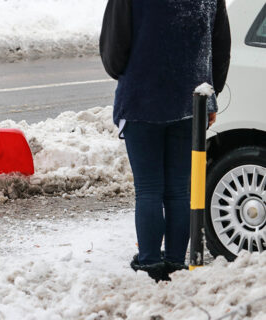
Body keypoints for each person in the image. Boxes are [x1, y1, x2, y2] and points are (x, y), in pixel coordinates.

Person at [100, 0, 231, 281]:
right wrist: (209, 96)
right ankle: (174, 260)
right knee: (178, 189)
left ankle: (149, 262)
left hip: (141, 97)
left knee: (148, 188)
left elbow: (114, 51)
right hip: (192, 99)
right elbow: (221, 46)